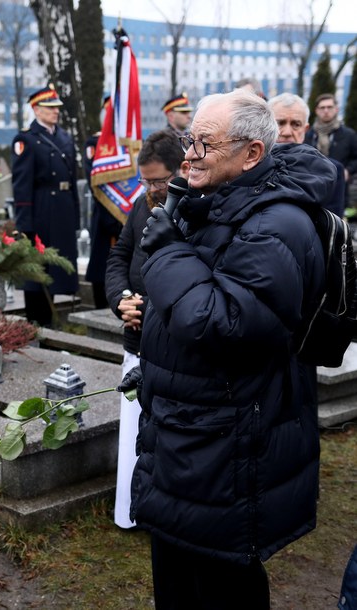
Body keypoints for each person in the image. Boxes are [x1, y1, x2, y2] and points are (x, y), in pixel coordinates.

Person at [122, 89, 335, 608]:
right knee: (176, 580)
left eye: (205, 143)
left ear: (252, 155)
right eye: (188, 139)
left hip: (228, 447)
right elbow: (196, 300)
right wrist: (153, 333)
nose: (189, 154)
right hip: (188, 435)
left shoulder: (277, 223)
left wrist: (168, 249)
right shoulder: (211, 201)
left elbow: (227, 322)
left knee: (218, 587)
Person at [103, 129, 184, 530]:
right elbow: (119, 256)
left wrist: (147, 309)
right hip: (135, 337)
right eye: (145, 180)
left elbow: (191, 281)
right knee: (134, 429)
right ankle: (130, 511)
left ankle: (158, 515)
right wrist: (121, 300)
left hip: (170, 346)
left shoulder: (193, 210)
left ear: (181, 169)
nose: (151, 188)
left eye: (158, 180)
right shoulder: (140, 206)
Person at [11, 83, 79, 326]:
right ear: (36, 109)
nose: (55, 111)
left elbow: (72, 181)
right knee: (37, 270)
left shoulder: (63, 137)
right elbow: (21, 185)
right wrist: (25, 224)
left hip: (63, 210)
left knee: (59, 267)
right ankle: (37, 320)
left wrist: (76, 216)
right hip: (41, 210)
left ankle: (55, 318)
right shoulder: (27, 140)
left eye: (57, 107)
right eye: (50, 108)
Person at [268, 92, 346, 216]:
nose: (287, 132)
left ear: (305, 129)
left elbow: (332, 224)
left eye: (296, 124)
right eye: (280, 123)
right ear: (267, 126)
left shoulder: (332, 171)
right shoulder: (249, 165)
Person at [83, 96, 123, 309]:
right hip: (106, 216)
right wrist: (112, 218)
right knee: (103, 265)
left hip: (127, 216)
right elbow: (95, 182)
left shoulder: (130, 143)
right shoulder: (95, 144)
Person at [304, 93, 357, 207]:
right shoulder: (307, 135)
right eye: (322, 108)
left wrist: (348, 171)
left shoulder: (349, 135)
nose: (326, 111)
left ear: (336, 109)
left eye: (329, 107)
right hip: (311, 190)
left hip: (339, 190)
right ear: (316, 110)